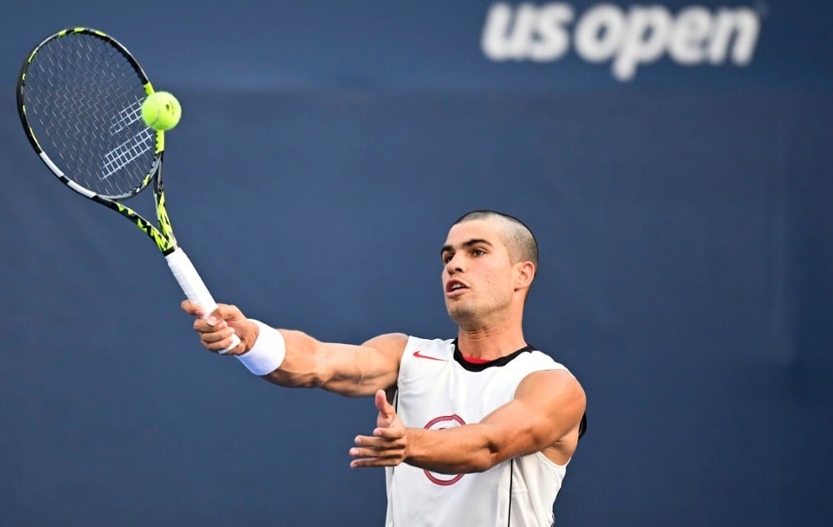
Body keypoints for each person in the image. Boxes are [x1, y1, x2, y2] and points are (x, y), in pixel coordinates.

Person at [182, 210, 587, 527]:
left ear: (523, 274)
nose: (454, 265)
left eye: (476, 252)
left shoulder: (552, 386)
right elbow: (318, 363)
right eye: (448, 256)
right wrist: (253, 339)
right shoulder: (405, 356)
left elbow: (489, 444)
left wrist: (409, 443)